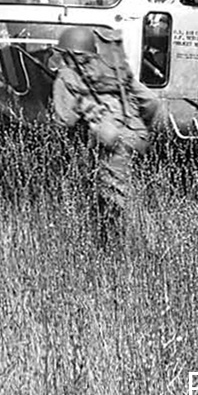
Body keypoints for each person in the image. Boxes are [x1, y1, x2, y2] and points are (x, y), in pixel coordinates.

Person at [50, 26, 159, 248]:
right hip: (137, 135)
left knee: (124, 200)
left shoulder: (67, 76)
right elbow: (151, 102)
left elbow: (65, 121)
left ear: (70, 53)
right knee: (112, 196)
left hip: (111, 143)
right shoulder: (116, 76)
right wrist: (135, 127)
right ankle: (108, 246)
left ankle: (152, 252)